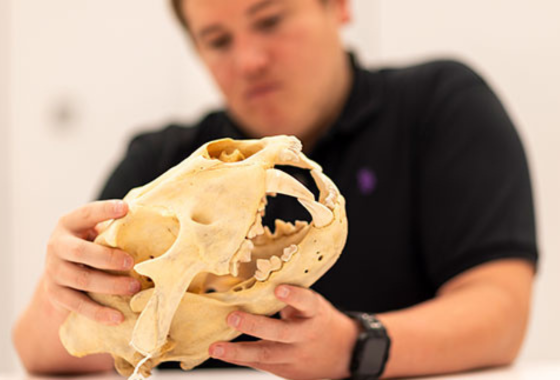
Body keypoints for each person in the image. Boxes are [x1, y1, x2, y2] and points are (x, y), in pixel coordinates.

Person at [13, 0, 538, 379]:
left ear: (339, 6)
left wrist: (354, 348)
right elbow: (40, 351)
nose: (249, 62)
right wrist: (67, 285)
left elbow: (499, 314)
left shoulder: (440, 108)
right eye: (217, 40)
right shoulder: (160, 162)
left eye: (270, 20)